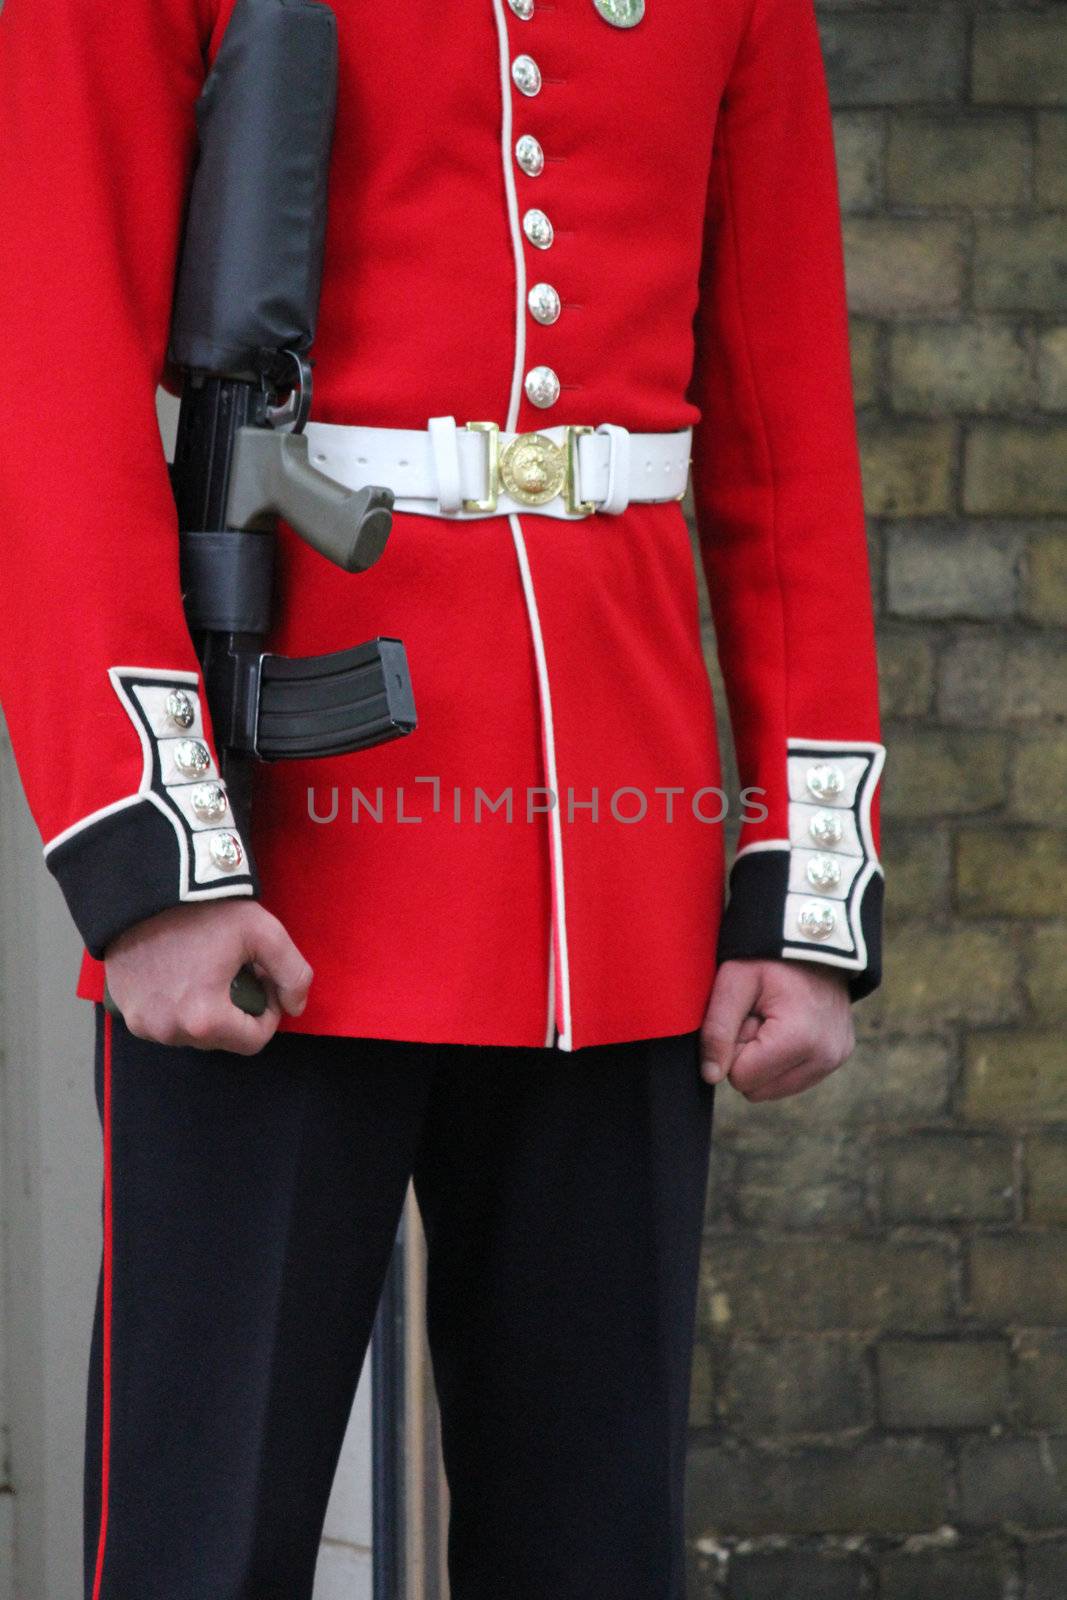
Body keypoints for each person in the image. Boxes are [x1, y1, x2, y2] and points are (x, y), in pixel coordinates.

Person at [0, 0, 885, 1594]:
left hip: (619, 877)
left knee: (593, 1549)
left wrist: (803, 884)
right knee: (208, 1549)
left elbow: (782, 423)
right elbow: (47, 365)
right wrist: (156, 861)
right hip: (280, 854)